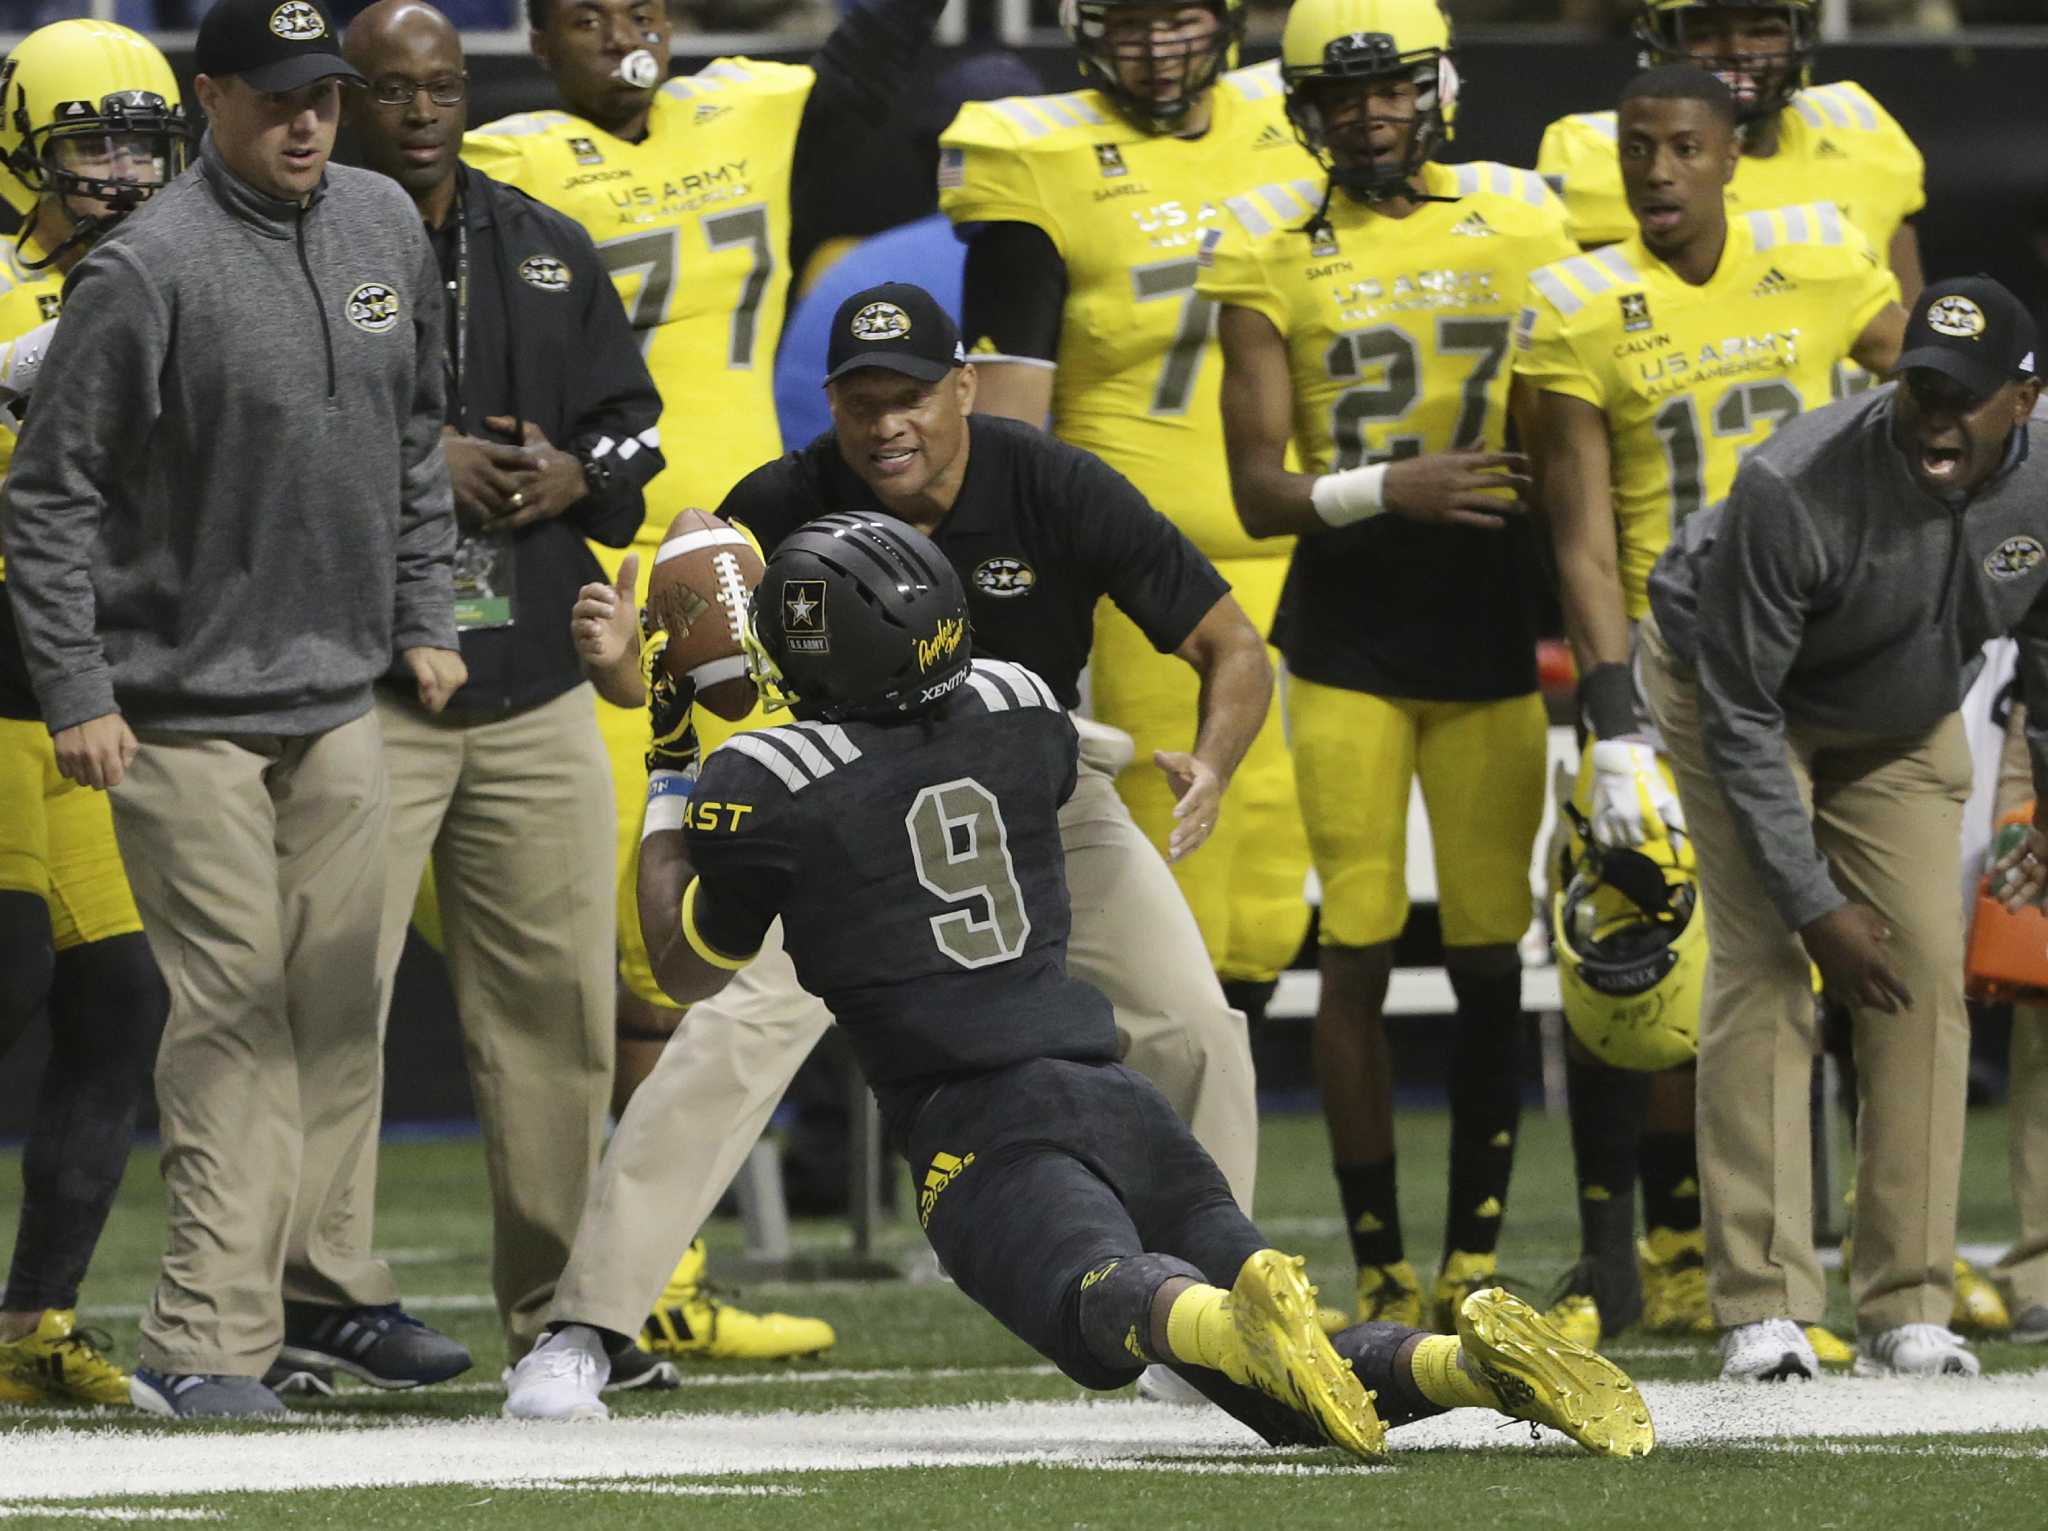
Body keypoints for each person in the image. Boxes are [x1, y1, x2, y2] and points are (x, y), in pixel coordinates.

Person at [510, 509, 1655, 1469]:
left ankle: (1228, 1310)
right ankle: (1463, 1363)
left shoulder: (767, 780)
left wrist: (672, 763)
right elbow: (938, 744)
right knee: (1266, 1391)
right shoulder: (1016, 704)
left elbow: (679, 962)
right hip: (1118, 1102)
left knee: (1112, 1301)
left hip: (978, 1123)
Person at [548, 281, 1273, 1405]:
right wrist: (621, 671)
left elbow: (1231, 643)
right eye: (861, 401)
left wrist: (1214, 762)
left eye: (912, 397)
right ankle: (586, 1327)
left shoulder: (1051, 479)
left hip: (1037, 788)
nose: (886, 424)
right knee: (731, 1031)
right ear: (831, 406)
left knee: (1192, 1020)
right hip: (848, 806)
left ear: (965, 390)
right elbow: (710, 674)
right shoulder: (781, 500)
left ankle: (1210, 1316)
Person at [0, 0, 469, 1419]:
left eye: (323, 93)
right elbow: (51, 495)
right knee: (226, 1006)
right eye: (275, 98)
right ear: (213, 98)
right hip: (176, 704)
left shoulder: (385, 225)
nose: (308, 120)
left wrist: (428, 614)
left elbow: (413, 439)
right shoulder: (146, 267)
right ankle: (204, 1338)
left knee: (340, 1005)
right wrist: (79, 688)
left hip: (337, 698)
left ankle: (301, 1306)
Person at [463, 0, 954, 1355]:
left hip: (751, 556)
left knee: (749, 908)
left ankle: (663, 1260)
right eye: (589, 12)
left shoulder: (742, 101)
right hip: (603, 568)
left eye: (641, 5)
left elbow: (870, 74)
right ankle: (647, 1272)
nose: (623, 31)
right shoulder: (511, 159)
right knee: (643, 925)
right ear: (538, 37)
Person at [1512, 64, 1904, 1350]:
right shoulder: (1576, 299)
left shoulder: (1821, 255)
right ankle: (1661, 1250)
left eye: (1682, 147)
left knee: (1856, 959)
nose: (1656, 170)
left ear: (1732, 155)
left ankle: (1866, 1264)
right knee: (1652, 978)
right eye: (1637, 148)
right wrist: (1610, 712)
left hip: (1822, 652)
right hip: (1674, 664)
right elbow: (1576, 533)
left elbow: (1930, 415)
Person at [1201, 0, 1573, 1332]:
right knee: (1354, 940)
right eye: (1342, 95)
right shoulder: (1266, 248)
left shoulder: (1529, 218)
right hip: (1349, 626)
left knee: (1487, 953)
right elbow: (1258, 492)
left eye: (1390, 88)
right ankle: (1379, 1262)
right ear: (1304, 110)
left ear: (1437, 90)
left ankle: (1474, 1254)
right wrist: (1388, 487)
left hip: (1486, 622)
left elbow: (1571, 430)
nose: (1368, 114)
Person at [320, 0, 667, 1387]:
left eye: (443, 86)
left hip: (528, 676)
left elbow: (634, 418)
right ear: (343, 100)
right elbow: (262, 437)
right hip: (359, 679)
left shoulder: (541, 242)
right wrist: (428, 463)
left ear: (473, 89)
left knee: (561, 1015)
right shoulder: (301, 239)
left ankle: (564, 1317)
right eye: (392, 90)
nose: (421, 111)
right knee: (334, 993)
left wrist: (584, 475)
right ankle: (323, 1295)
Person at [1638, 274, 2048, 1381]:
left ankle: (1906, 1305)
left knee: (1919, 969)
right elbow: (1736, 710)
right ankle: (1762, 1306)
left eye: (1960, 394)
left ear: (2023, 398)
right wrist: (1814, 903)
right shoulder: (1792, 482)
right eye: (1917, 384)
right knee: (1766, 962)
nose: (1931, 413)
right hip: (1732, 689)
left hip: (1902, 713)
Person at [937, 0, 1314, 1027]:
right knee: (1173, 879)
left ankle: (1211, 1154)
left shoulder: (1295, 113)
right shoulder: (1035, 156)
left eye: (1178, 15)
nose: (1153, 45)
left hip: (1312, 559)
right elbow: (1004, 434)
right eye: (1127, 19)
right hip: (1155, 572)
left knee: (1271, 896)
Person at [0, 18, 187, 1411]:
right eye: (89, 145)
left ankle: (31, 1323)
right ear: (23, 149)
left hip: (88, 679)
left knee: (120, 995)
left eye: (141, 145)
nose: (119, 174)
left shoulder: (183, 274)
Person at [1537, 1, 1925, 312]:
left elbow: (1905, 322)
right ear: (1660, 40)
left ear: (1803, 33)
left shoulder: (1859, 127)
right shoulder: (1604, 151)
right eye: (1703, 33)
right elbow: (1607, 335)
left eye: (1762, 31)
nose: (1736, 52)